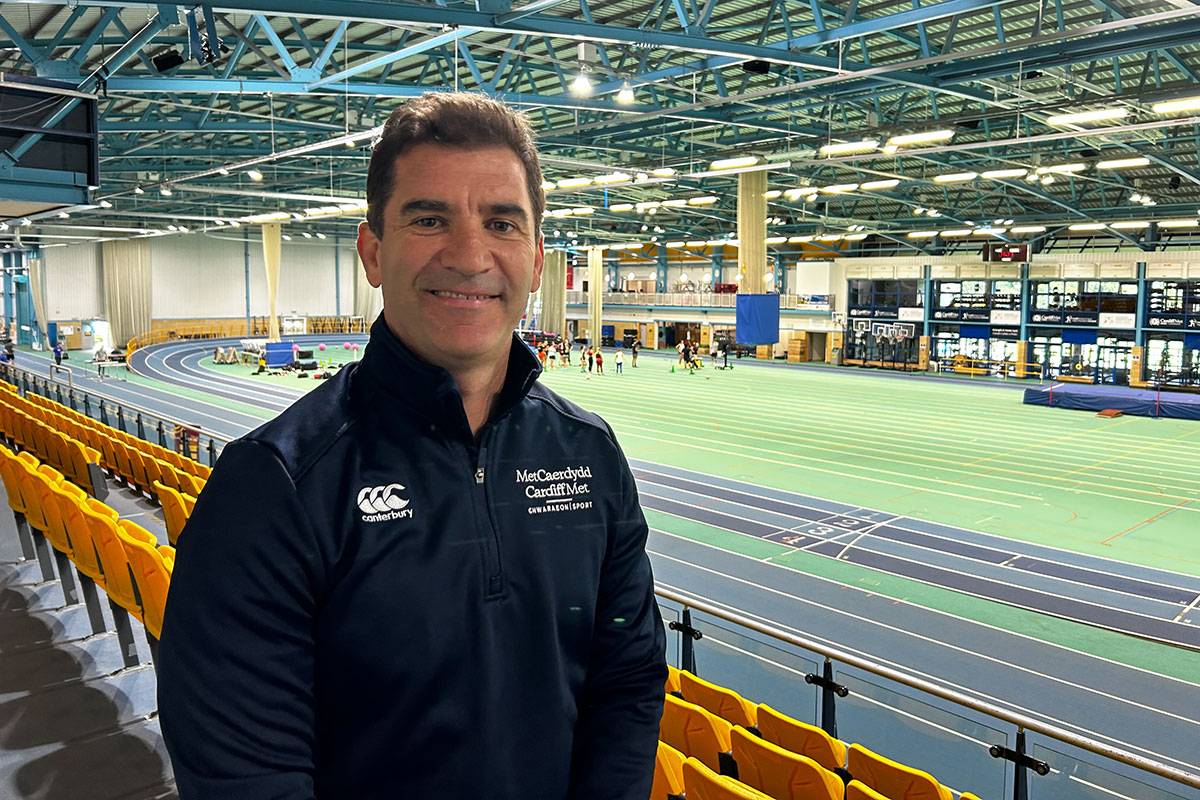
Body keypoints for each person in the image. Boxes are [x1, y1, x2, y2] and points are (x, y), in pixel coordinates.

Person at [158, 92, 665, 800]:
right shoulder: (275, 485)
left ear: (537, 259)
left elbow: (628, 682)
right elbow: (245, 774)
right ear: (373, 251)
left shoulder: (589, 454)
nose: (469, 255)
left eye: (502, 222)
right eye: (429, 219)